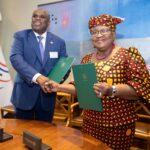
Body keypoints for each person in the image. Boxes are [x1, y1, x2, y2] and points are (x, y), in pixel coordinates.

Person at [44, 14, 150, 149]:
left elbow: (140, 89)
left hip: (117, 127)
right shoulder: (86, 59)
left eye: (104, 30)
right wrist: (58, 87)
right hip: (89, 123)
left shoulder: (128, 56)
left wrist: (110, 90)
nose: (98, 35)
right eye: (94, 32)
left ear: (113, 33)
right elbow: (82, 89)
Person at [9, 8, 68, 122]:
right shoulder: (20, 36)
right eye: (35, 16)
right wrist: (37, 77)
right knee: (21, 134)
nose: (37, 19)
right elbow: (16, 58)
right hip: (24, 97)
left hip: (47, 98)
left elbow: (64, 66)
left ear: (48, 22)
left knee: (45, 135)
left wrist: (54, 82)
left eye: (42, 17)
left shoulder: (59, 42)